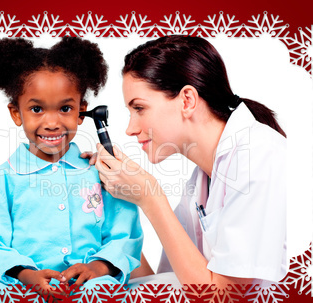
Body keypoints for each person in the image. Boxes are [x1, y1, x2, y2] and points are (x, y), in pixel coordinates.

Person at [92, 35, 287, 287]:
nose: (130, 128)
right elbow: (173, 284)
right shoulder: (199, 184)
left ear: (187, 100)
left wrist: (150, 197)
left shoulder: (260, 156)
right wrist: (116, 219)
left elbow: (220, 301)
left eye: (139, 108)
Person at [0, 37, 143, 295]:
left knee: (105, 296)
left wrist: (96, 268)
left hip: (92, 285)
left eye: (65, 108)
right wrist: (27, 274)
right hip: (23, 286)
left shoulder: (101, 174)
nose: (52, 123)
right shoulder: (1, 181)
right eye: (37, 109)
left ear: (81, 111)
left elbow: (125, 235)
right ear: (16, 113)